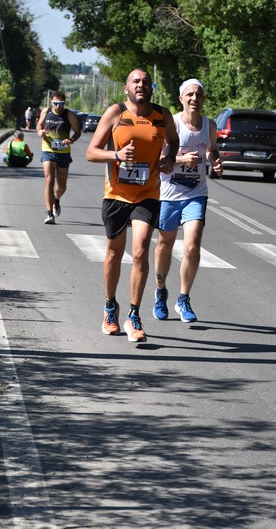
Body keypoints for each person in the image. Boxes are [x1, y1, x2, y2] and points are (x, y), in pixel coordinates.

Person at [86, 68, 179, 343]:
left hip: (148, 193)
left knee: (140, 250)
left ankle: (134, 315)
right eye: (136, 81)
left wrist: (169, 158)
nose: (141, 85)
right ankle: (110, 307)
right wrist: (116, 154)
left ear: (152, 88)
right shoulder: (116, 113)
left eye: (146, 82)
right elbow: (91, 152)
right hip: (116, 195)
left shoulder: (162, 116)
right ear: (126, 88)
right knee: (114, 254)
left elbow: (172, 141)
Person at [153, 78, 223, 323]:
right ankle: (160, 291)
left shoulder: (209, 125)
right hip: (169, 193)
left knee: (192, 246)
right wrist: (181, 161)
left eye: (199, 95)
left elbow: (212, 148)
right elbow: (159, 161)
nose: (195, 99)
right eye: (190, 94)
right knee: (165, 245)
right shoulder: (171, 124)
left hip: (196, 193)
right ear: (181, 99)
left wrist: (215, 160)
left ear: (204, 99)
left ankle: (183, 299)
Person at [36, 90, 81, 225]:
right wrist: (40, 131)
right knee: (49, 180)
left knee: (62, 185)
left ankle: (56, 199)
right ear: (51, 102)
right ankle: (50, 213)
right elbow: (38, 125)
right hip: (48, 149)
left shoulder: (69, 114)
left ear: (64, 103)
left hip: (63, 152)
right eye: (55, 103)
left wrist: (71, 139)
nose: (58, 106)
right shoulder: (46, 111)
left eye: (61, 103)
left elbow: (78, 132)